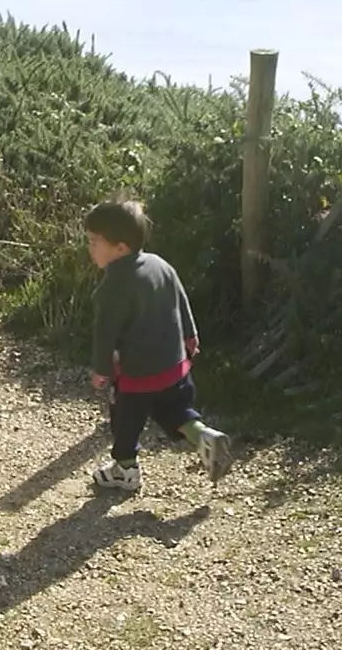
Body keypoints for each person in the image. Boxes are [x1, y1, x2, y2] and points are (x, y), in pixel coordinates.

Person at [84, 199, 233, 491]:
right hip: (175, 367)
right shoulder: (160, 264)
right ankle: (205, 436)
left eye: (94, 242)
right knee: (176, 412)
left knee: (125, 423)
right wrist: (190, 337)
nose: (90, 248)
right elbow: (180, 300)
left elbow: (105, 333)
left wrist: (102, 369)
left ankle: (125, 471)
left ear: (120, 248)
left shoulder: (112, 287)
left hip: (137, 378)